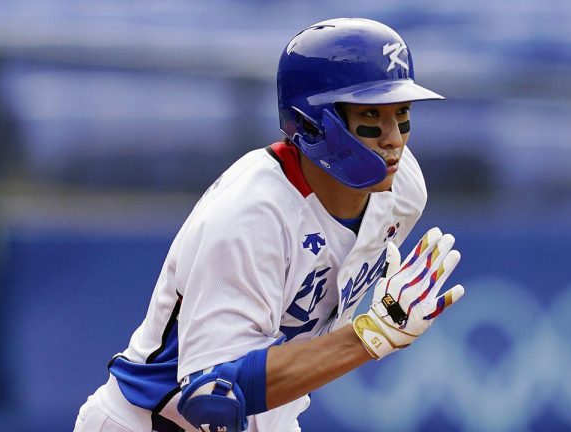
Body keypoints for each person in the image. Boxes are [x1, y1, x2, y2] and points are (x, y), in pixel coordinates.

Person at [74, 17, 465, 432]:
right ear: (316, 120)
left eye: (401, 113)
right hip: (150, 422)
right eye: (371, 114)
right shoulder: (252, 214)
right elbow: (212, 396)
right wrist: (370, 334)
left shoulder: (403, 190)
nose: (394, 139)